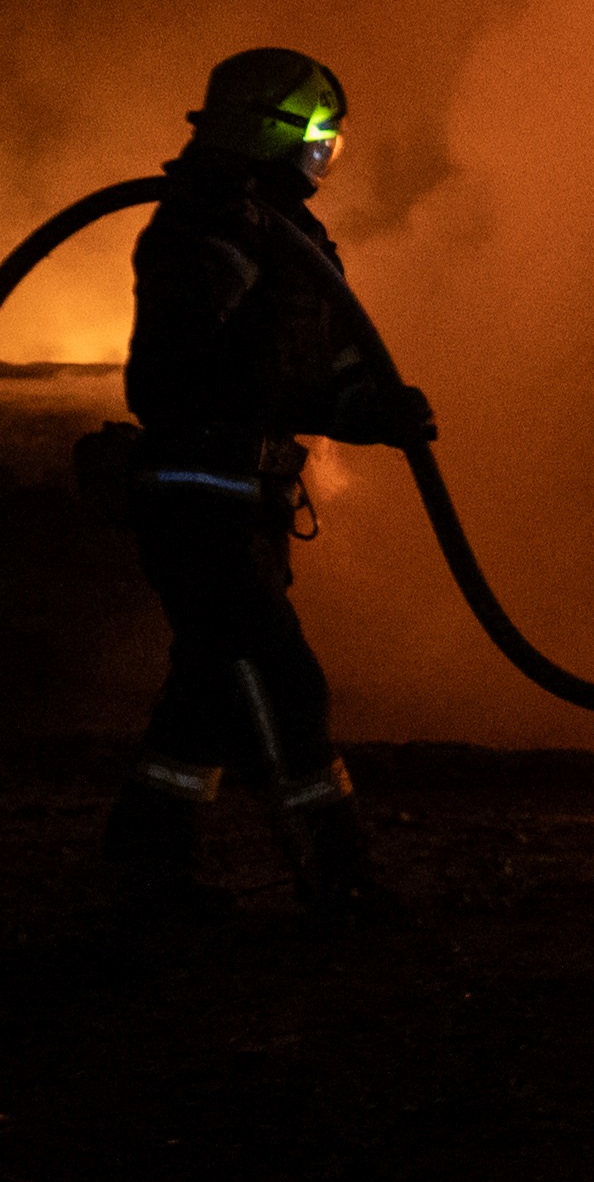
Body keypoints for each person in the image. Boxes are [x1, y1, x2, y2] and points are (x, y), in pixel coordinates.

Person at [101, 47, 434, 915]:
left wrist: (379, 409)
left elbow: (324, 372)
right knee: (282, 683)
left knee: (208, 689)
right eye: (317, 133)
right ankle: (338, 875)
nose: (326, 152)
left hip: (246, 505)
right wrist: (283, 397)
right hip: (198, 498)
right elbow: (173, 370)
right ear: (269, 128)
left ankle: (143, 871)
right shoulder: (210, 225)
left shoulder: (294, 236)